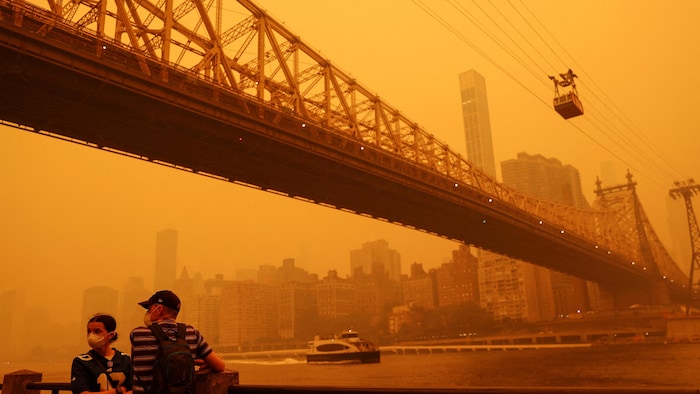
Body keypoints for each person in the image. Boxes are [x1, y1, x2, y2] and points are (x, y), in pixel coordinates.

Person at [129, 290, 225, 393]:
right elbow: (220, 366)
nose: (147, 313)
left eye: (149, 309)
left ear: (159, 309)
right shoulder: (192, 333)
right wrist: (206, 362)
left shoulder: (138, 334)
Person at [71, 314, 134, 394]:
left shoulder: (125, 359)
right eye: (89, 331)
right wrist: (118, 391)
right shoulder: (81, 362)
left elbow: (134, 390)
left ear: (111, 335)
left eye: (97, 331)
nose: (91, 335)